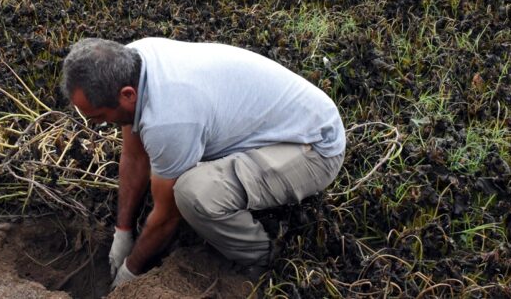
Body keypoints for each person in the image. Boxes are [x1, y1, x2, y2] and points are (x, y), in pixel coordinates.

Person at [60, 37, 345, 290]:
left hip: (313, 148)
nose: (95, 125)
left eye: (97, 116)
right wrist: (123, 233)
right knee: (182, 181)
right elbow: (135, 156)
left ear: (127, 95)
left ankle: (258, 257)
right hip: (278, 127)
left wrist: (129, 274)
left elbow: (167, 217)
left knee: (193, 193)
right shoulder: (133, 60)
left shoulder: (169, 118)